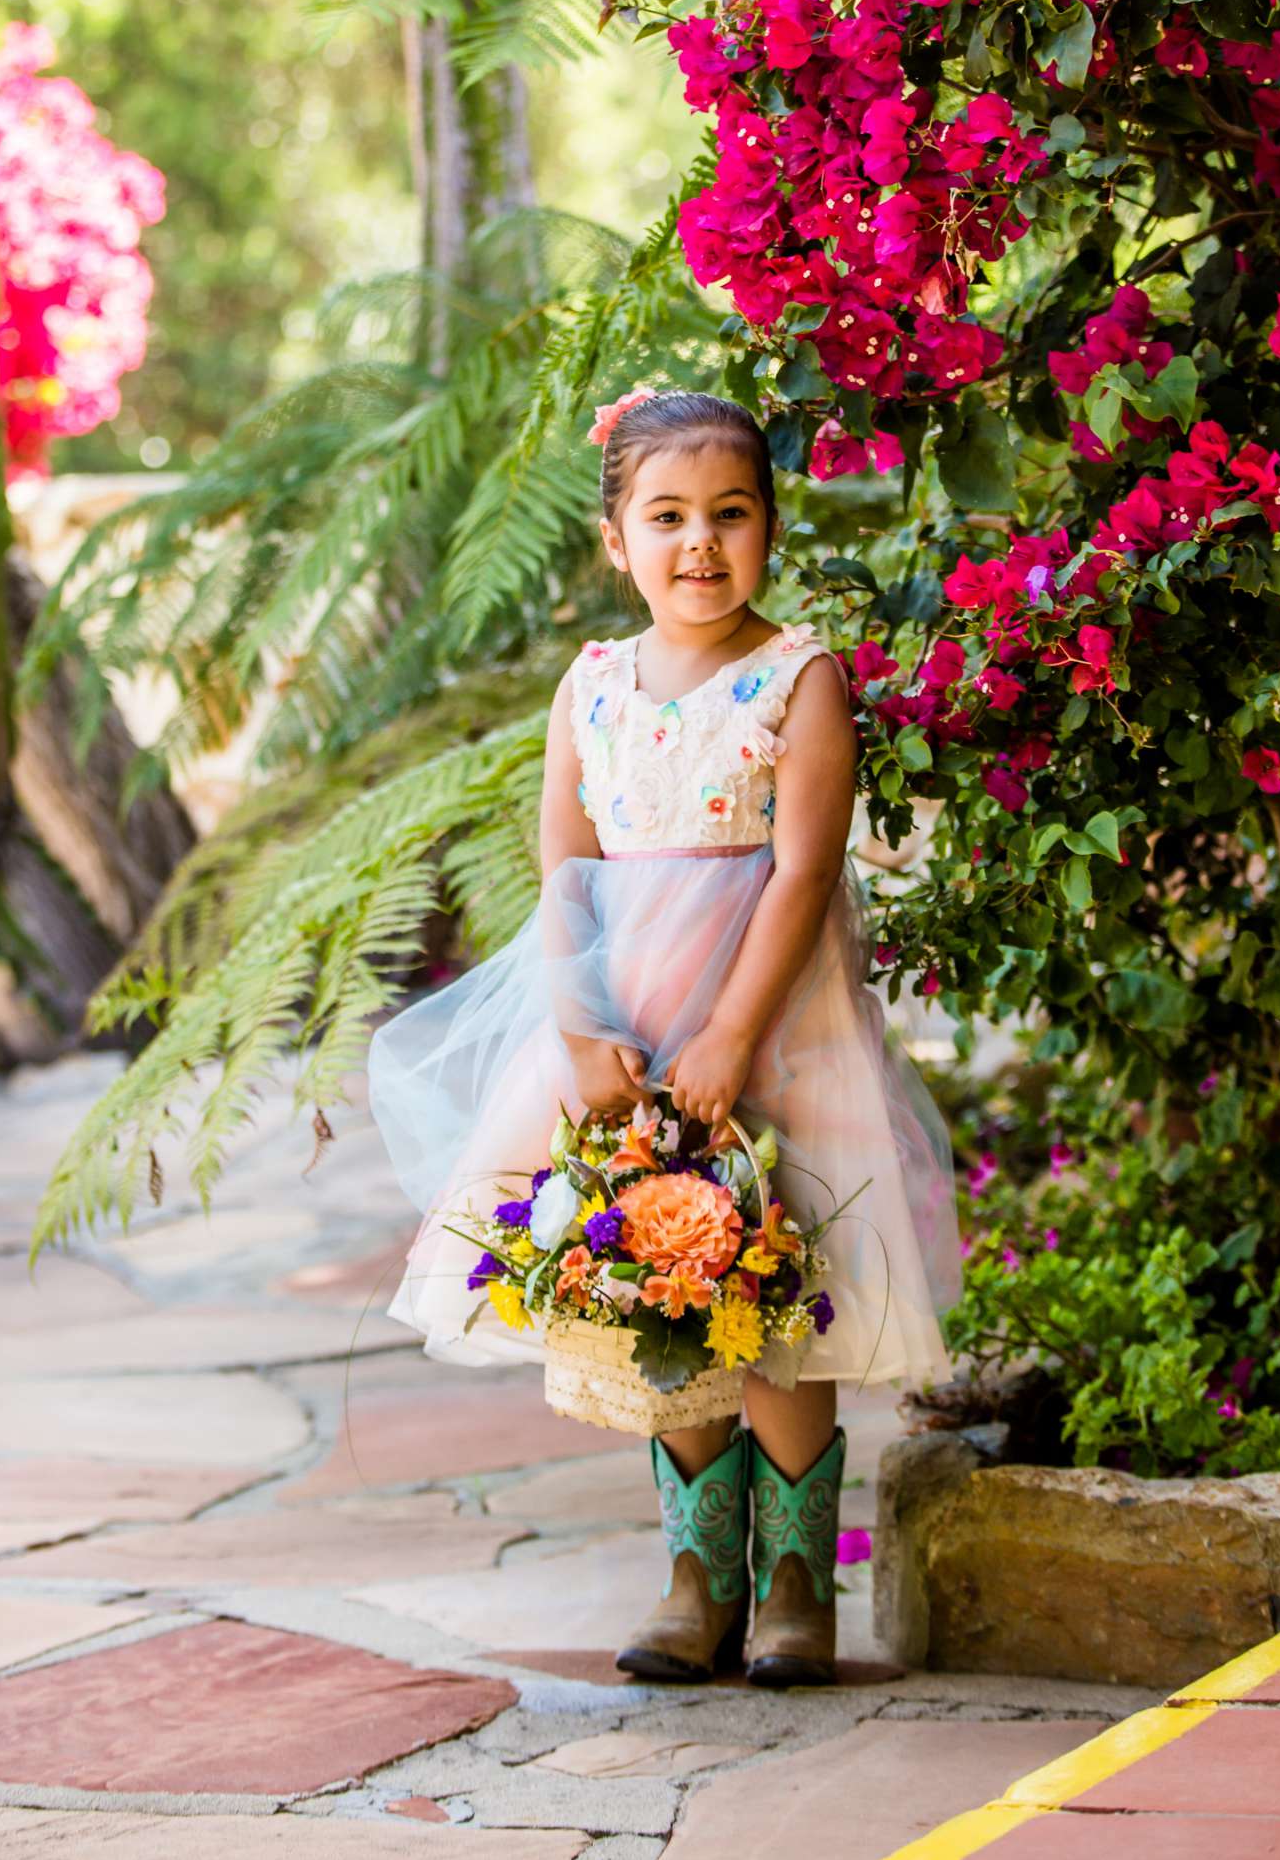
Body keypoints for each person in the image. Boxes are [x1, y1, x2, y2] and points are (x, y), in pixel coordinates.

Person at [367, 382, 959, 1687]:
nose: (701, 544)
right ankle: (699, 1580)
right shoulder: (591, 688)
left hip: (774, 1031)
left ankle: (797, 1585)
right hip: (626, 1031)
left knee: (788, 1291)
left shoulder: (798, 678)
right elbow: (564, 866)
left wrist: (734, 1035)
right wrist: (582, 1037)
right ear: (614, 538)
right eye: (668, 515)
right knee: (662, 1285)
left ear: (772, 528)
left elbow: (802, 874)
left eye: (731, 515)